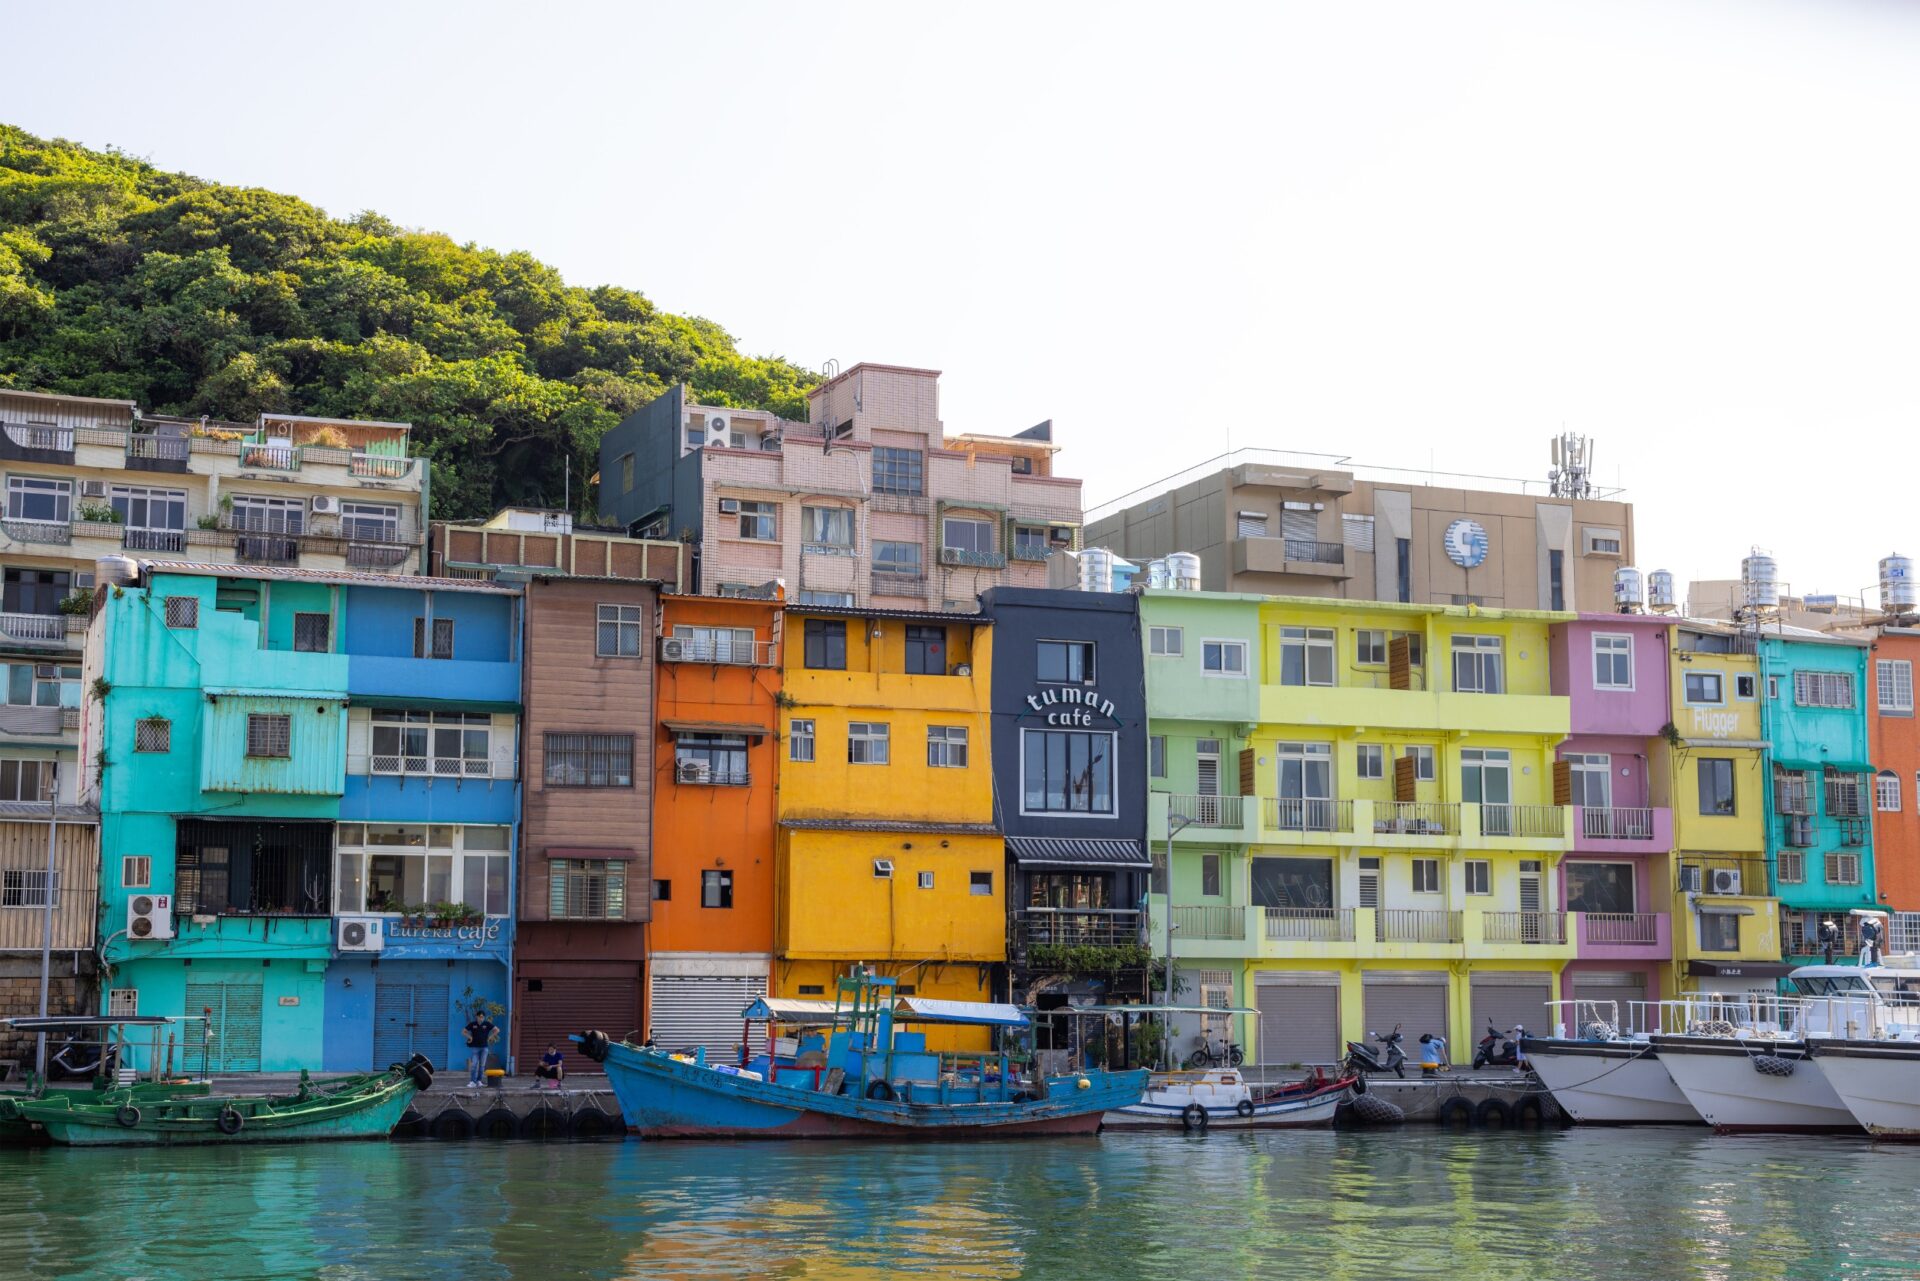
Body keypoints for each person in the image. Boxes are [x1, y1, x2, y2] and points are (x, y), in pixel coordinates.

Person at [463, 1006, 496, 1086]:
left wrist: (491, 1037)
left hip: (484, 1047)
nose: (481, 1018)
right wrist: (470, 1037)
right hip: (475, 1047)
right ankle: (473, 1081)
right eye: (480, 1017)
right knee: (474, 1065)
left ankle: (479, 1081)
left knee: (482, 1065)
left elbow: (497, 1030)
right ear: (477, 1017)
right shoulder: (473, 1024)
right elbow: (463, 1031)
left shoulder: (487, 1024)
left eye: (483, 1017)